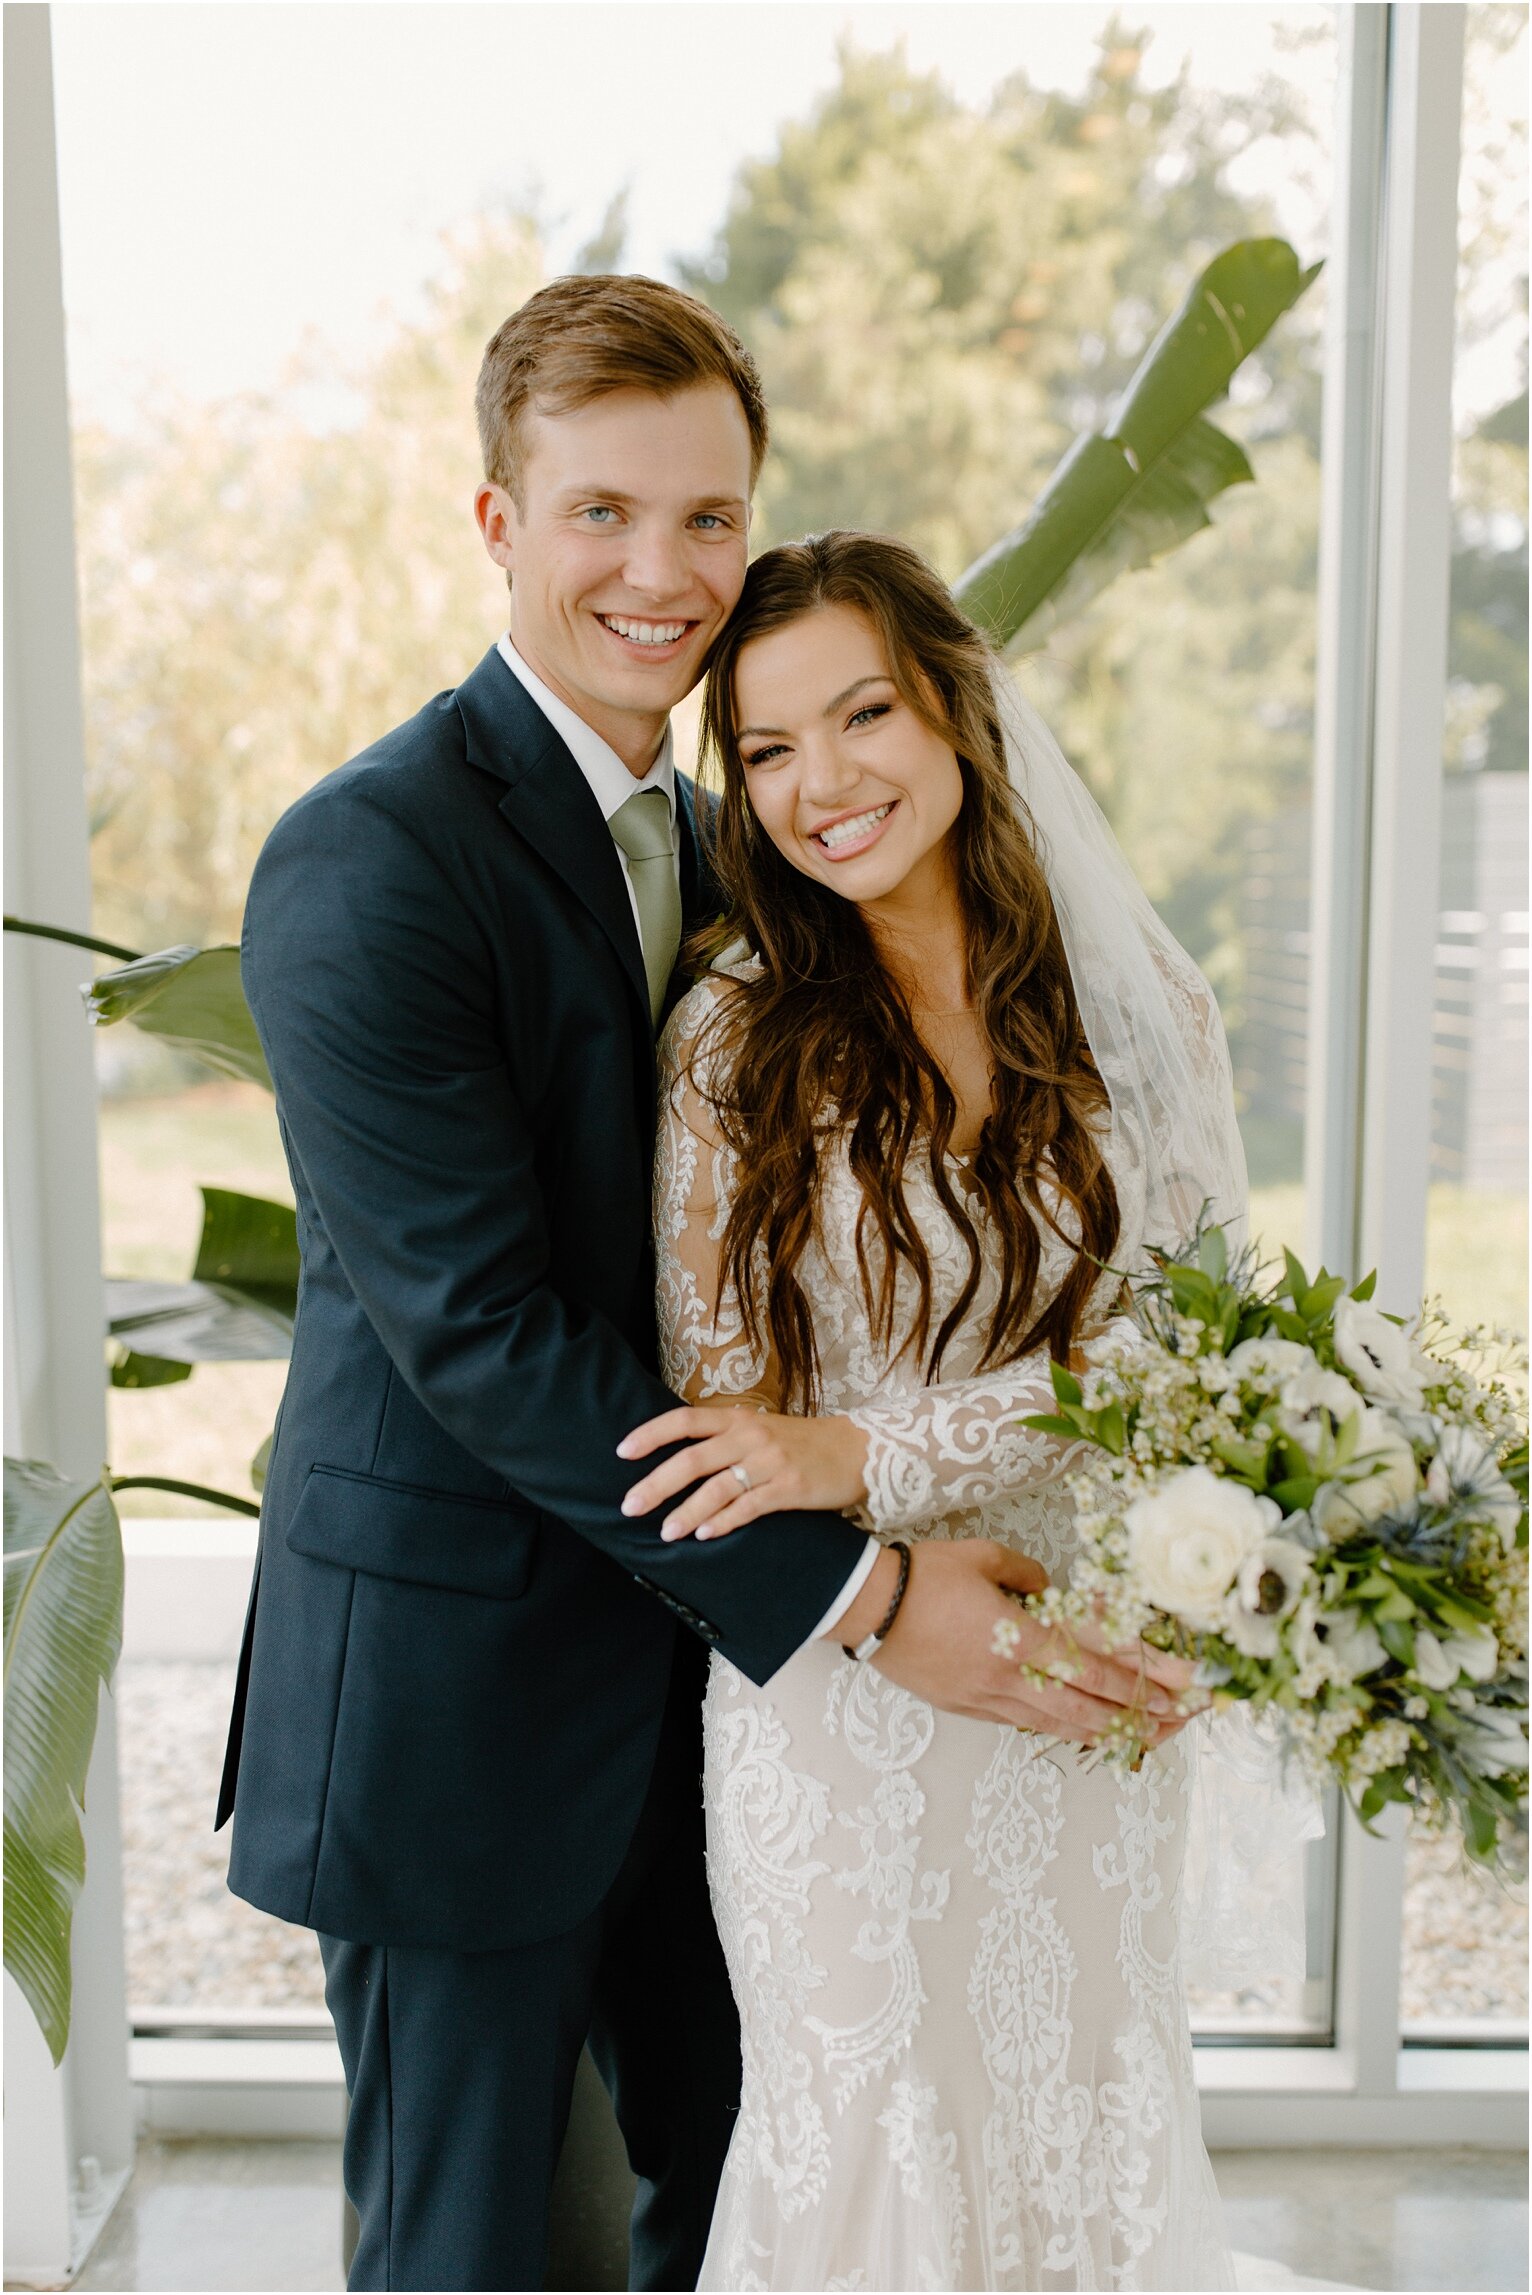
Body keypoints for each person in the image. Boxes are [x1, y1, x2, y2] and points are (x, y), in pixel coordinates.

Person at [216, 278, 1179, 2294]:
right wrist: (865, 1584)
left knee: (747, 2221)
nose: (661, 571)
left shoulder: (761, 838)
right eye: (599, 514)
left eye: (708, 517)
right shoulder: (370, 858)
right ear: (498, 523)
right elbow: (479, 1329)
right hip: (473, 1701)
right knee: (476, 2255)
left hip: (738, 1718)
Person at [620, 530, 1247, 2290]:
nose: (823, 782)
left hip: (1088, 1649)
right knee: (867, 2122)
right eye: (764, 747)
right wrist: (852, 1476)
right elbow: (728, 1433)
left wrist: (879, 1444)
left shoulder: (1150, 1011)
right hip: (848, 1695)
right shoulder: (734, 1038)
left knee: (1083, 2106)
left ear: (955, 715)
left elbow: (1190, 1357)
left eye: (864, 713)